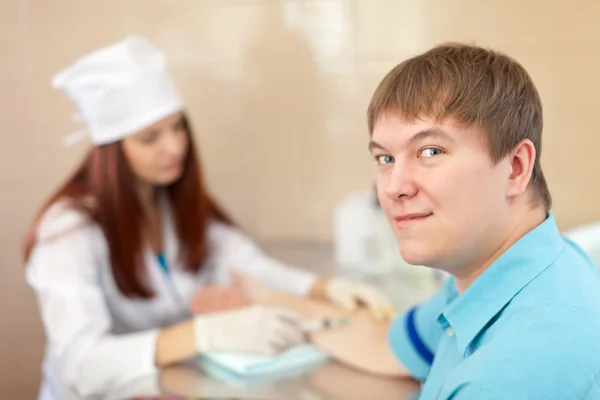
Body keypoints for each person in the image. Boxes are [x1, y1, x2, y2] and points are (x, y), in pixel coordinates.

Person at [23, 35, 393, 400]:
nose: (174, 146)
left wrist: (326, 288)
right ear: (112, 152)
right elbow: (81, 363)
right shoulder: (68, 231)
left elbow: (248, 266)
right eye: (150, 137)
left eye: (178, 126)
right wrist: (202, 335)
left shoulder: (175, 206)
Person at [235, 43, 600, 399]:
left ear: (516, 167)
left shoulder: (515, 373)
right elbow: (383, 343)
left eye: (430, 151)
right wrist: (266, 300)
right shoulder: (502, 275)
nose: (394, 188)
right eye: (385, 159)